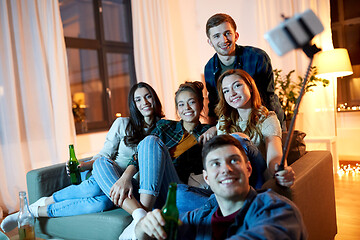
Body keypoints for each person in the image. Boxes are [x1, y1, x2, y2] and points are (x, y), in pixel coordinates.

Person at [0, 82, 164, 233]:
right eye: (138, 99)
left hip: (132, 186)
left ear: (154, 98)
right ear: (133, 105)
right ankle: (44, 203)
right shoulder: (123, 124)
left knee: (102, 202)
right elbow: (104, 155)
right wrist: (84, 165)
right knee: (95, 187)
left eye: (148, 96)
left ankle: (33, 210)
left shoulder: (165, 129)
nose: (145, 102)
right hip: (108, 173)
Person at [93, 81, 212, 239]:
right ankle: (141, 216)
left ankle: (142, 217)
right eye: (181, 104)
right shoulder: (165, 126)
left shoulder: (209, 133)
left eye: (192, 102)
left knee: (150, 141)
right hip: (148, 186)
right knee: (101, 163)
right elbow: (141, 153)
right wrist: (125, 178)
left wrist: (217, 128)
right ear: (177, 108)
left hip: (173, 186)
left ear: (201, 104)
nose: (187, 108)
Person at [135, 135, 308, 240]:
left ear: (248, 169)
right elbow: (147, 236)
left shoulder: (279, 210)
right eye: (215, 164)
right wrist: (144, 226)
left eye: (234, 160)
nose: (225, 169)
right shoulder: (198, 217)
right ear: (207, 178)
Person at [204, 13, 285, 129]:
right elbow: (215, 104)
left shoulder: (257, 57)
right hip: (233, 125)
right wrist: (214, 128)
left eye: (227, 33)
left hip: (265, 119)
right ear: (210, 42)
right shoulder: (209, 67)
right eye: (216, 36)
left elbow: (267, 97)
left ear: (236, 36)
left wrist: (275, 127)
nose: (223, 40)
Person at [216, 69, 294, 186]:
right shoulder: (223, 122)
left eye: (237, 86)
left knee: (239, 139)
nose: (232, 93)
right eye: (226, 91)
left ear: (250, 87)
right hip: (229, 179)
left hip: (256, 179)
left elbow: (275, 154)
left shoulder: (267, 118)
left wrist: (280, 170)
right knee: (182, 192)